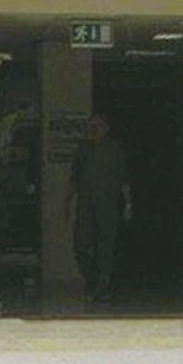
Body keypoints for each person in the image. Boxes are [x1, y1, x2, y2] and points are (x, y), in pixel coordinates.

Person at [68, 112, 132, 300]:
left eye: (99, 126)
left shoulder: (115, 149)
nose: (95, 130)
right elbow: (74, 177)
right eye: (92, 126)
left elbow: (124, 178)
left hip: (108, 203)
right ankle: (92, 278)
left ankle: (102, 284)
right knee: (81, 244)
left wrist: (128, 204)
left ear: (107, 128)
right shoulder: (83, 149)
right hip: (85, 204)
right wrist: (67, 201)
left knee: (106, 244)